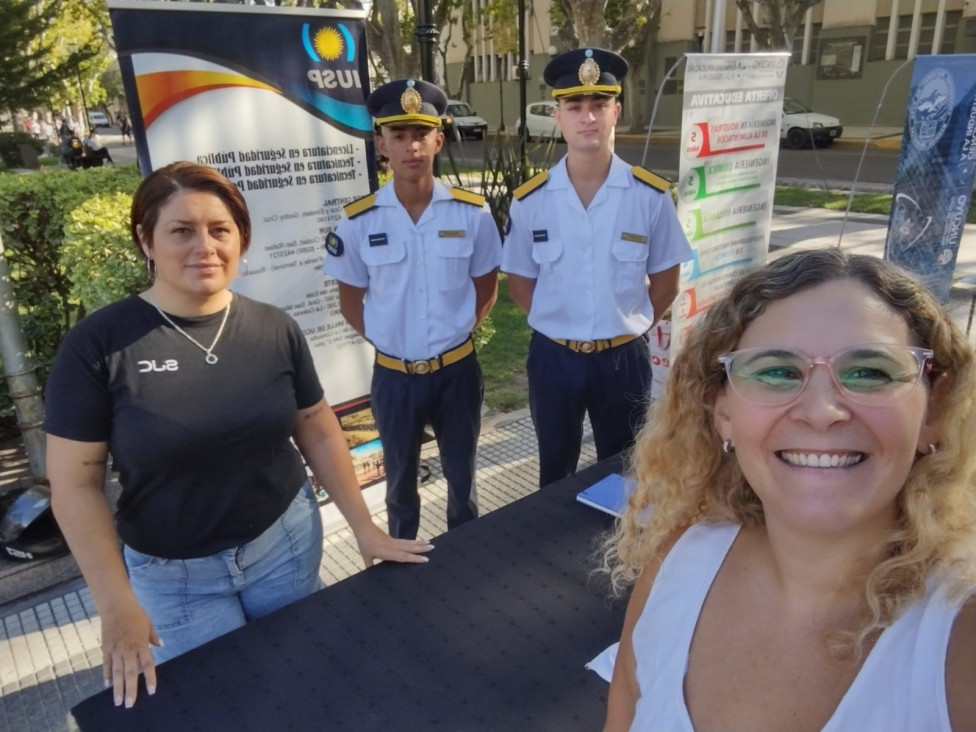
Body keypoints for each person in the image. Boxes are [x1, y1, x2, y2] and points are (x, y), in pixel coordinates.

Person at [45, 162, 433, 710]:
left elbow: (317, 430)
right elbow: (75, 487)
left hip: (285, 546)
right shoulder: (98, 347)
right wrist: (115, 604)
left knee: (304, 682)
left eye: (220, 229)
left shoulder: (274, 328)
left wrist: (365, 528)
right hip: (174, 577)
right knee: (225, 707)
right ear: (145, 239)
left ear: (241, 239)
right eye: (181, 230)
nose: (204, 246)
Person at [602, 249, 976, 731]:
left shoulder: (961, 636)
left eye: (870, 371)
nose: (821, 411)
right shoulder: (676, 563)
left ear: (932, 413)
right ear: (724, 414)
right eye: (776, 371)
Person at [501, 48, 692, 488]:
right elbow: (520, 283)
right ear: (559, 115)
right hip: (553, 357)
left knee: (623, 471)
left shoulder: (649, 196)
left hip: (623, 357)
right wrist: (558, 328)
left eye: (599, 105)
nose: (588, 117)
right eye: (575, 107)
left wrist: (627, 328)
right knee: (554, 470)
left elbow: (666, 283)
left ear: (616, 112)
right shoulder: (532, 199)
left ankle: (618, 553)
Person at [324, 78, 501, 540]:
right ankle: (402, 558)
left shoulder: (472, 214)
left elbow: (486, 287)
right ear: (381, 143)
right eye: (398, 136)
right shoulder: (359, 221)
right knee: (399, 484)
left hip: (456, 371)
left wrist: (453, 335)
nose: (411, 147)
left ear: (438, 139)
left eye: (420, 134)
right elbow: (350, 301)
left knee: (463, 478)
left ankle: (467, 553)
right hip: (394, 377)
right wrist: (393, 340)